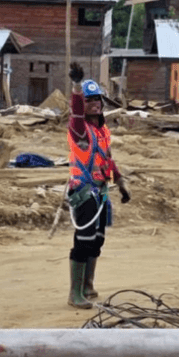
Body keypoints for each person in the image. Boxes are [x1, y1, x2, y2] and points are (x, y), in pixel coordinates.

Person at [64, 61, 131, 309]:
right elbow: (77, 113)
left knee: (97, 240)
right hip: (84, 192)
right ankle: (75, 293)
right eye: (90, 100)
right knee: (83, 240)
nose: (95, 104)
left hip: (101, 192)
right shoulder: (79, 130)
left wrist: (120, 182)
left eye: (98, 100)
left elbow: (108, 160)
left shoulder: (101, 132)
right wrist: (77, 86)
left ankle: (88, 285)